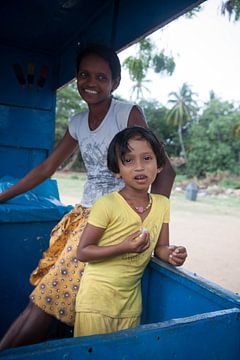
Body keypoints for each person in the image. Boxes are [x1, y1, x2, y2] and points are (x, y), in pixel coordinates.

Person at [0, 44, 176, 350]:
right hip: (85, 217)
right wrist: (3, 196)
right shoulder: (78, 122)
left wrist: (147, 226)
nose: (91, 83)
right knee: (44, 296)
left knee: (46, 299)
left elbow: (166, 171)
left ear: (114, 83)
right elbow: (46, 168)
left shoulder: (127, 112)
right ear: (77, 77)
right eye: (84, 75)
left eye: (101, 77)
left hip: (115, 221)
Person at [74, 126, 187, 337]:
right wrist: (122, 247)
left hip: (130, 305)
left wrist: (171, 253)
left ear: (159, 165)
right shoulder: (107, 204)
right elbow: (83, 252)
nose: (139, 167)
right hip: (96, 301)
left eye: (147, 158)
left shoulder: (162, 204)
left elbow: (160, 247)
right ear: (116, 169)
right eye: (128, 160)